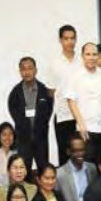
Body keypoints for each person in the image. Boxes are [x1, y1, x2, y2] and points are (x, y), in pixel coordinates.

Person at [65, 43, 101, 160]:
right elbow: (71, 101)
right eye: (88, 54)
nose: (91, 57)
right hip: (85, 130)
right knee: (88, 166)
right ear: (82, 56)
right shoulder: (75, 77)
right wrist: (81, 124)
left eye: (94, 54)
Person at [43, 25, 82, 164]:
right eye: (66, 38)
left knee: (83, 154)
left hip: (82, 115)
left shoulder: (82, 60)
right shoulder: (54, 63)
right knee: (65, 156)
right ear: (60, 40)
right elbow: (50, 91)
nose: (70, 42)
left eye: (72, 38)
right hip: (63, 116)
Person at [7, 57, 53, 172]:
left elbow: (49, 110)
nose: (26, 72)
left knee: (43, 169)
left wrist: (40, 126)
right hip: (23, 140)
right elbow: (13, 111)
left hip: (41, 139)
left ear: (35, 70)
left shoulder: (44, 90)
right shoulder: (15, 92)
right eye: (23, 69)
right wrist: (23, 125)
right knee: (23, 171)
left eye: (30, 68)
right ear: (20, 71)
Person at [56, 136, 97, 201]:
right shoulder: (60, 174)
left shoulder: (92, 169)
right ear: (68, 152)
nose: (80, 154)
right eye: (75, 151)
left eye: (82, 150)